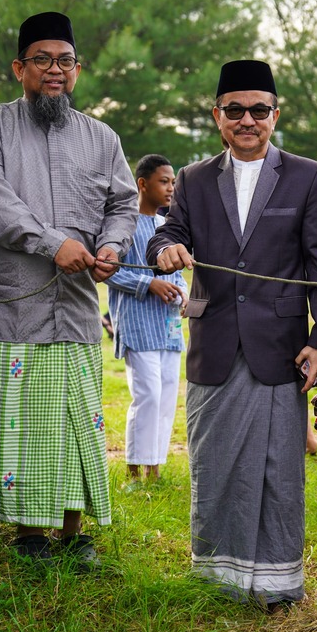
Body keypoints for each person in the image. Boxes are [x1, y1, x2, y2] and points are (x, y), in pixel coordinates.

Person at [149, 60, 317, 609]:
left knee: (279, 466)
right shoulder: (192, 177)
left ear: (275, 115)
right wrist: (163, 250)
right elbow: (170, 232)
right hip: (213, 342)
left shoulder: (307, 175)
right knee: (216, 460)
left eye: (259, 110)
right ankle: (217, 580)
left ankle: (278, 582)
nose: (248, 119)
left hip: (280, 346)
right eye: (235, 110)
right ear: (217, 117)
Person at [0, 11, 138, 565]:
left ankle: (73, 533)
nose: (54, 70)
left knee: (73, 421)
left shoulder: (101, 137)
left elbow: (124, 204)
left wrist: (112, 246)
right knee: (20, 425)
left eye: (65, 61)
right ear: (19, 68)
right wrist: (52, 242)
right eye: (42, 60)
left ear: (76, 70)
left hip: (77, 306)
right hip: (11, 305)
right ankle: (29, 535)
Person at [108, 154, 186, 486]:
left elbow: (179, 271)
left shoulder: (168, 227)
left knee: (168, 393)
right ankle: (133, 468)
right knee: (148, 394)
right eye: (163, 181)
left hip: (167, 324)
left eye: (173, 183)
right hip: (137, 321)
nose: (170, 189)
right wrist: (148, 283)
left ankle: (155, 468)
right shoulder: (121, 225)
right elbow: (107, 271)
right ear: (142, 184)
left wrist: (180, 291)